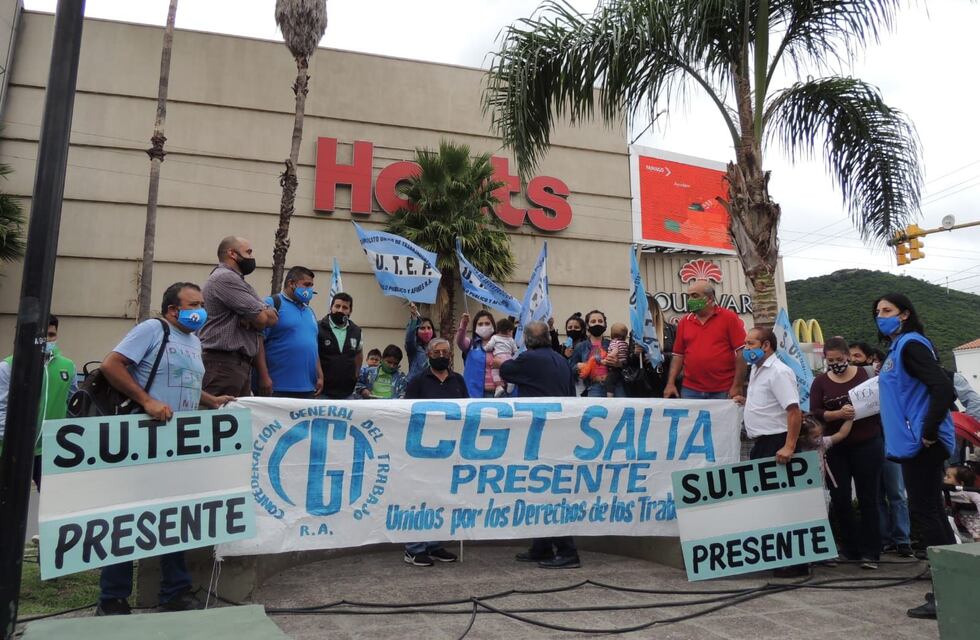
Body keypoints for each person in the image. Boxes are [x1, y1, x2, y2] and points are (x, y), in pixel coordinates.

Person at [96, 282, 234, 616]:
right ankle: (112, 598)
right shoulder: (152, 329)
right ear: (173, 309)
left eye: (202, 304)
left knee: (174, 518)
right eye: (193, 304)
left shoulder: (193, 340)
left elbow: (185, 381)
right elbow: (111, 365)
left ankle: (175, 592)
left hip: (178, 442)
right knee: (129, 518)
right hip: (143, 438)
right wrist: (147, 401)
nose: (200, 309)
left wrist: (210, 400)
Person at [874, 293, 956, 620]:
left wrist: (929, 431)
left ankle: (946, 594)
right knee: (931, 511)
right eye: (878, 311)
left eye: (888, 310)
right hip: (914, 443)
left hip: (922, 444)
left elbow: (942, 387)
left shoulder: (911, 345)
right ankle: (953, 585)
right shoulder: (900, 348)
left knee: (927, 513)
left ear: (905, 314)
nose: (881, 316)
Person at [500, 321, 581, 568]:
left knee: (547, 492)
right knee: (541, 489)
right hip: (559, 431)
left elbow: (505, 370)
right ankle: (543, 546)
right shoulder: (560, 360)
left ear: (526, 339)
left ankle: (567, 551)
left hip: (540, 432)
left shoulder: (529, 359)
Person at [733, 327, 805, 578]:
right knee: (768, 503)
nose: (746, 348)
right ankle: (778, 557)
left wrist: (789, 445)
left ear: (765, 346)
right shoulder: (757, 370)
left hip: (776, 442)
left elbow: (794, 411)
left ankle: (795, 562)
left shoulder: (778, 372)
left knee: (782, 504)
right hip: (761, 444)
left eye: (750, 343)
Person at [809, 337, 884, 569]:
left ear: (848, 357)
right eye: (830, 361)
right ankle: (850, 548)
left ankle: (871, 551)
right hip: (835, 447)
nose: (835, 364)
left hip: (867, 443)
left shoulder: (866, 376)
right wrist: (837, 415)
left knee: (868, 498)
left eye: (839, 360)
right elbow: (815, 412)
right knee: (840, 498)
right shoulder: (820, 382)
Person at [403, 338, 466, 566]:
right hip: (422, 449)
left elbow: (467, 410)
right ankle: (414, 548)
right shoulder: (418, 381)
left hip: (450, 449)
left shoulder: (458, 380)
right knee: (419, 497)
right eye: (436, 351)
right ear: (428, 355)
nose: (441, 355)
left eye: (445, 352)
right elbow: (407, 413)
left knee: (441, 496)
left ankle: (434, 544)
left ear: (450, 356)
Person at [0, 315, 76, 489]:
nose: (46, 340)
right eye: (41, 335)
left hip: (50, 450)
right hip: (11, 450)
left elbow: (73, 405)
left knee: (55, 504)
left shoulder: (69, 367)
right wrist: (19, 441)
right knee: (7, 508)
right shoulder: (8, 367)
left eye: (51, 335)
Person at [199, 236, 279, 397]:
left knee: (237, 418)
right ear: (232, 254)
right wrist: (258, 316)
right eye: (248, 252)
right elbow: (262, 319)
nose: (251, 257)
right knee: (218, 416)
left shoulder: (239, 281)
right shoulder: (225, 278)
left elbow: (273, 317)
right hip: (223, 364)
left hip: (236, 365)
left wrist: (257, 315)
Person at [663, 280, 747, 400]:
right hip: (691, 390)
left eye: (695, 296)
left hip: (723, 389)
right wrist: (670, 383)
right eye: (689, 296)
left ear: (710, 298)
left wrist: (737, 385)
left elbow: (742, 352)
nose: (690, 300)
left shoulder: (729, 318)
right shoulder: (684, 322)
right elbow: (678, 356)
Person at [253, 266, 323, 398]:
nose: (310, 290)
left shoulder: (309, 311)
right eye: (306, 285)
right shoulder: (272, 304)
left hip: (308, 388)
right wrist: (264, 377)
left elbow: (313, 346)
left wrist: (320, 375)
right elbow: (258, 341)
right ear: (291, 283)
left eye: (311, 286)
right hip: (277, 388)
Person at [317, 292, 363, 399]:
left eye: (345, 307)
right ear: (331, 307)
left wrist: (355, 377)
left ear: (350, 311)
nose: (340, 310)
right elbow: (313, 355)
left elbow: (359, 355)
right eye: (337, 306)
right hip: (323, 392)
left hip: (347, 393)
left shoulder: (356, 331)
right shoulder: (318, 327)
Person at [570, 310, 621, 398]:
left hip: (615, 387)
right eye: (593, 321)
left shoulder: (612, 344)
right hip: (594, 387)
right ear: (587, 325)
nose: (597, 324)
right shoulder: (581, 347)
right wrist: (577, 366)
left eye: (600, 321)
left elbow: (625, 365)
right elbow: (571, 369)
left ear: (605, 325)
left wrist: (618, 363)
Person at [456, 310, 498, 398]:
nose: (484, 326)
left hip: (499, 394)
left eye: (487, 323)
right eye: (480, 324)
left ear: (493, 325)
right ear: (475, 327)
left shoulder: (501, 344)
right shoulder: (470, 344)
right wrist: (463, 324)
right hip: (474, 395)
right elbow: (460, 341)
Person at [944, 465, 980, 541]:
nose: (944, 478)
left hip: (975, 520)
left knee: (977, 535)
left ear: (961, 483)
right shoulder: (946, 491)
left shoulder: (970, 493)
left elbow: (978, 500)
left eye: (948, 477)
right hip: (960, 521)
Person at [485, 317, 518, 397]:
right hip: (509, 357)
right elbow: (515, 351)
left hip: (498, 357)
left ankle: (499, 386)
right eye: (512, 331)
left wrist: (485, 348)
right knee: (509, 371)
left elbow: (489, 347)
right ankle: (510, 382)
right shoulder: (511, 339)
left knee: (495, 372)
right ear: (508, 331)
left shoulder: (494, 337)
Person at [405, 302, 435, 381]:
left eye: (429, 328)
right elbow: (409, 339)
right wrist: (414, 318)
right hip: (415, 387)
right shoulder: (414, 348)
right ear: (417, 331)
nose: (426, 331)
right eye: (422, 328)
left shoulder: (437, 348)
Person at [603, 323, 629, 398]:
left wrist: (606, 359)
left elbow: (615, 351)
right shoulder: (625, 344)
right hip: (623, 368)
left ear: (612, 334)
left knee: (609, 381)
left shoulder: (614, 342)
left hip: (614, 368)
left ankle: (610, 397)